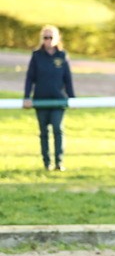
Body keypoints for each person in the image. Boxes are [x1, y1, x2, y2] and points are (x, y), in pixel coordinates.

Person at [23, 25, 75, 171]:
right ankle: (47, 163)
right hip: (41, 100)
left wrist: (72, 98)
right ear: (42, 39)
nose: (48, 40)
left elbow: (68, 79)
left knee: (58, 129)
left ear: (57, 38)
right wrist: (27, 97)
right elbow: (30, 78)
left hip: (58, 100)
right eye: (45, 37)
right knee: (43, 132)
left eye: (51, 37)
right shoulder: (37, 56)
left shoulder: (62, 56)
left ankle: (59, 161)